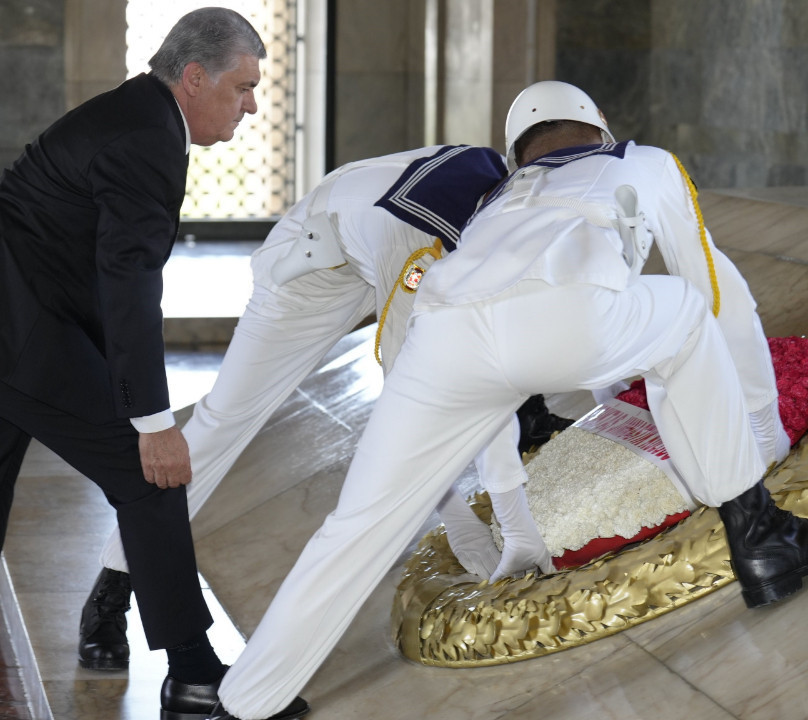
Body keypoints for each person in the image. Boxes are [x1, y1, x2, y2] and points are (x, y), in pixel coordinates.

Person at [202, 80, 804, 720]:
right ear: (600, 123)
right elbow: (715, 289)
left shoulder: (496, 198)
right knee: (687, 312)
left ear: (516, 154)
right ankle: (758, 532)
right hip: (568, 319)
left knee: (353, 529)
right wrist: (762, 423)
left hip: (443, 340)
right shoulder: (644, 161)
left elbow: (478, 359)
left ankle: (244, 703)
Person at [0, 8, 307, 720]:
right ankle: (198, 678)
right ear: (194, 76)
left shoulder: (137, 116)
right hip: (2, 331)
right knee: (153, 475)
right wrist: (151, 421)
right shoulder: (147, 137)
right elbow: (129, 282)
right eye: (242, 87)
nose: (251, 104)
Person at [75, 143, 586, 671]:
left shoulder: (510, 201)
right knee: (223, 421)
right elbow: (420, 385)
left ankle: (532, 420)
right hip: (314, 267)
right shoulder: (424, 232)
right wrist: (464, 514)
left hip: (380, 242)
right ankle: (112, 589)